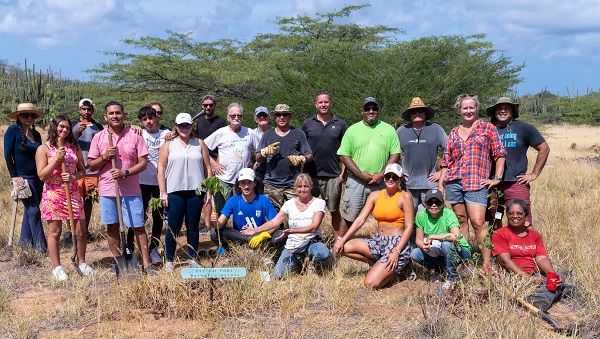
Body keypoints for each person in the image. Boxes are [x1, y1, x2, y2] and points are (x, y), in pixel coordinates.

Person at [438, 94, 506, 269]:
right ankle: (464, 259)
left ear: (476, 109)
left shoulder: (487, 128)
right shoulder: (453, 132)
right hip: (454, 181)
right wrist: (441, 183)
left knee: (478, 222)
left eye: (471, 108)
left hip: (477, 181)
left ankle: (486, 263)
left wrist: (497, 178)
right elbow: (446, 160)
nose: (468, 111)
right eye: (464, 108)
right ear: (459, 110)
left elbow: (500, 154)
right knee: (461, 221)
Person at [88, 101, 155, 275]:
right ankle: (120, 262)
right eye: (111, 113)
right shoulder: (99, 137)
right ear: (105, 117)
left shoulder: (135, 135)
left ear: (124, 115)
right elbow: (92, 166)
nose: (115, 116)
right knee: (112, 226)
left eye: (118, 113)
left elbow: (143, 163)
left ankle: (146, 263)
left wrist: (125, 172)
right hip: (108, 190)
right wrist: (104, 157)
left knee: (138, 226)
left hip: (131, 191)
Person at [334, 164, 414, 289]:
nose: (391, 179)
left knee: (370, 284)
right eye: (388, 176)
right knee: (343, 247)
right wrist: (342, 239)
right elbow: (360, 219)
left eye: (395, 177)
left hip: (396, 244)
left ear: (400, 179)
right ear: (384, 177)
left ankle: (400, 268)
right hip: (378, 241)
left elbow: (409, 227)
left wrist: (396, 252)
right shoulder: (375, 195)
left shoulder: (405, 196)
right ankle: (381, 265)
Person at [35, 115, 95, 280]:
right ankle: (57, 268)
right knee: (55, 232)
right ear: (54, 126)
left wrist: (74, 177)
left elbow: (83, 170)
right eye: (61, 126)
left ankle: (81, 262)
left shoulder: (74, 147)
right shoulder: (44, 149)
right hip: (53, 194)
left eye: (67, 128)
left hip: (73, 193)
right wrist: (56, 159)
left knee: (81, 231)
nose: (64, 130)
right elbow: (42, 176)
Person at [492, 199, 570, 312]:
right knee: (543, 287)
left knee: (559, 276)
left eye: (519, 213)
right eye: (511, 213)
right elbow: (505, 261)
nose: (515, 216)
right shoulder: (499, 234)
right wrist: (527, 278)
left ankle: (542, 296)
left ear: (526, 215)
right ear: (506, 215)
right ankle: (545, 298)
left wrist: (550, 274)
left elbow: (541, 257)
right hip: (514, 277)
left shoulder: (535, 235)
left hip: (535, 274)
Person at [157, 113, 212, 272]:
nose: (184, 128)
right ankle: (169, 260)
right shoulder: (168, 145)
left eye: (187, 125)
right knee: (173, 225)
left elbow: (207, 167)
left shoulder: (199, 143)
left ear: (191, 126)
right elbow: (161, 168)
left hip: (196, 190)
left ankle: (192, 258)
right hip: (175, 190)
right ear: (176, 126)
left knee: (193, 225)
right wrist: (163, 191)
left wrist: (208, 190)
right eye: (181, 125)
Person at [485, 97, 550, 229]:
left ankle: (528, 248)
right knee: (494, 219)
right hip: (492, 184)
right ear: (494, 112)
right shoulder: (487, 129)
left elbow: (544, 148)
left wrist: (534, 174)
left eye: (507, 108)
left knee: (521, 219)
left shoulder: (524, 128)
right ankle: (497, 248)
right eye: (499, 108)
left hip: (515, 183)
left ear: (513, 112)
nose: (502, 111)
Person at [337, 97, 401, 228]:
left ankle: (384, 245)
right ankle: (341, 245)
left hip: (381, 182)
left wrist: (382, 174)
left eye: (374, 108)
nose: (371, 111)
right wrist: (360, 174)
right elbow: (344, 154)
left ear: (379, 110)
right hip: (356, 182)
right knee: (349, 217)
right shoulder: (352, 130)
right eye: (367, 108)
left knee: (386, 217)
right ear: (362, 111)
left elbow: (395, 154)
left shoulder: (388, 129)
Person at [258, 174, 330, 279]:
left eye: (305, 186)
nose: (303, 189)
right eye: (299, 186)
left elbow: (314, 227)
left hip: (312, 240)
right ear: (295, 188)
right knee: (278, 275)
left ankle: (312, 262)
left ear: (311, 186)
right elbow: (274, 222)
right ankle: (299, 259)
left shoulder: (319, 203)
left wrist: (293, 231)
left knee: (322, 254)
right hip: (294, 244)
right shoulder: (289, 204)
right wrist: (255, 230)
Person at [125, 106, 170, 265]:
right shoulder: (138, 133)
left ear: (157, 117)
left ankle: (154, 248)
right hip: (141, 181)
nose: (148, 122)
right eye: (144, 119)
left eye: (150, 118)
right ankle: (129, 246)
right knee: (138, 216)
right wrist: (131, 126)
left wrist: (175, 134)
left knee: (158, 216)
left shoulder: (167, 134)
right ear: (140, 121)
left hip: (160, 182)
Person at [302, 91, 348, 240]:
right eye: (320, 102)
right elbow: (301, 147)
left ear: (330, 103)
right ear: (316, 104)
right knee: (308, 209)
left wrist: (343, 174)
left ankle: (337, 243)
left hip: (333, 175)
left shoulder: (340, 124)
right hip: (310, 175)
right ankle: (309, 239)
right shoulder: (308, 123)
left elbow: (346, 151)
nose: (323, 105)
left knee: (334, 210)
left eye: (326, 102)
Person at [4, 103, 47, 252]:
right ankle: (41, 248)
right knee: (34, 211)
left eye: (32, 115)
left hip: (38, 177)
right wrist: (14, 176)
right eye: (25, 115)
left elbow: (42, 155)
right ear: (18, 117)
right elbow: (7, 154)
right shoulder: (12, 131)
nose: (29, 117)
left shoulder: (37, 134)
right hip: (23, 178)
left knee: (30, 211)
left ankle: (24, 243)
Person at [256, 104, 313, 209]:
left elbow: (309, 155)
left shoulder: (298, 133)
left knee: (297, 215)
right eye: (278, 115)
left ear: (289, 116)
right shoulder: (268, 134)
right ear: (275, 117)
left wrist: (302, 158)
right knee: (273, 218)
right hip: (271, 184)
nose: (281, 117)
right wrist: (264, 153)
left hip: (293, 183)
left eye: (285, 114)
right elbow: (258, 158)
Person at [410, 188, 471, 287]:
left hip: (460, 252)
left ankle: (453, 278)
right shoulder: (421, 216)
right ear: (425, 203)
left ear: (442, 203)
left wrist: (434, 236)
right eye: (430, 202)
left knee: (446, 244)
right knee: (415, 253)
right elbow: (418, 239)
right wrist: (424, 246)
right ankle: (438, 270)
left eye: (437, 202)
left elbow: (456, 236)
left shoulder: (449, 214)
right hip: (438, 252)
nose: (434, 205)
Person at [396, 97, 447, 213]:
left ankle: (428, 232)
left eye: (420, 110)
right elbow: (390, 152)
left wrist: (441, 173)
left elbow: (450, 150)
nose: (417, 113)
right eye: (414, 111)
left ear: (425, 113)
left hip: (430, 183)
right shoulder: (401, 131)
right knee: (408, 214)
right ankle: (412, 232)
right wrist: (398, 171)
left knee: (432, 213)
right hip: (408, 183)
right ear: (409, 114)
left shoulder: (436, 129)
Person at [204, 103, 257, 215]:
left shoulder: (250, 133)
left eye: (239, 115)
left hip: (244, 181)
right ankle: (220, 232)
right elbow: (201, 148)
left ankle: (241, 232)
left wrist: (255, 166)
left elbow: (259, 152)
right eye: (233, 116)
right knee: (222, 212)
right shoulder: (221, 132)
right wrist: (214, 164)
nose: (236, 118)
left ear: (242, 117)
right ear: (228, 117)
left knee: (243, 212)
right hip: (224, 179)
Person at [211, 168, 282, 247]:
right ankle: (248, 241)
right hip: (240, 236)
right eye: (243, 183)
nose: (246, 186)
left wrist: (262, 234)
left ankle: (257, 243)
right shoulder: (233, 200)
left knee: (280, 234)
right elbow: (219, 225)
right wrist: (214, 221)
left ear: (255, 183)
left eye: (249, 183)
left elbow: (276, 224)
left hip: (259, 235)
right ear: (239, 184)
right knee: (215, 234)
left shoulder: (264, 200)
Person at [71, 98, 104, 244]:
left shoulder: (98, 127)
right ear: (79, 110)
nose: (86, 112)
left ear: (93, 111)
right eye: (83, 109)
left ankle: (85, 229)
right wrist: (76, 133)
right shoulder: (71, 125)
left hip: (92, 170)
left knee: (88, 200)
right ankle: (71, 231)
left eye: (89, 109)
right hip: (75, 169)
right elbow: (66, 142)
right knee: (73, 200)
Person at [195, 95, 227, 230]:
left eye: (210, 105)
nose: (208, 107)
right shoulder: (199, 120)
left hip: (216, 162)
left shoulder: (221, 122)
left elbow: (222, 145)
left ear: (215, 106)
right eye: (205, 105)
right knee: (205, 192)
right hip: (201, 160)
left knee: (215, 194)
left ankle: (218, 224)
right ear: (202, 106)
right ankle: (207, 224)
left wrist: (215, 164)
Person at [250, 106, 271, 193]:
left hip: (272, 170)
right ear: (255, 119)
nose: (262, 118)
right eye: (259, 116)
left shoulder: (275, 132)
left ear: (269, 117)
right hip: (257, 170)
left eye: (265, 115)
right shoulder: (251, 133)